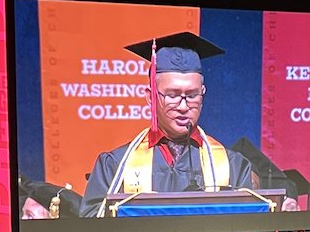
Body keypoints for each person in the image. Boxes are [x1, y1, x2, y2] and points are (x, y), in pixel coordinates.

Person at [80, 32, 255, 217]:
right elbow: (92, 226)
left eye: (192, 95)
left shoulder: (232, 166)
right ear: (150, 96)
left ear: (203, 93)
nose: (183, 106)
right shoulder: (114, 166)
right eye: (172, 95)